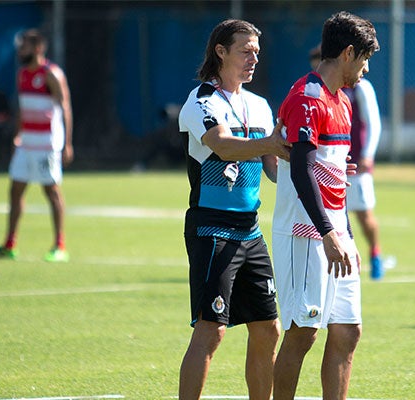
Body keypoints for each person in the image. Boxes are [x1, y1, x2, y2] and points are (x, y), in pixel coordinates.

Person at [176, 19, 291, 400]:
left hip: (250, 230)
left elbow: (274, 169)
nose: (253, 58)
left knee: (267, 328)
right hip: (212, 228)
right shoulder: (201, 101)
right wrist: (270, 145)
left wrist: (323, 166)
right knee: (212, 329)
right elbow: (222, 146)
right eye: (245, 50)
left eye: (257, 51)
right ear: (220, 51)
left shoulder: (258, 106)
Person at [272, 11, 379, 399]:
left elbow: (324, 170)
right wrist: (329, 233)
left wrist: (345, 234)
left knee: (348, 329)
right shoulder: (307, 97)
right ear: (348, 53)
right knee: (303, 332)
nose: (366, 69)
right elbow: (300, 172)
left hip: (334, 230)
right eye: (365, 59)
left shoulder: (342, 102)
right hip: (307, 233)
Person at [0, 29, 73, 262]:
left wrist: (67, 144)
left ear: (38, 48)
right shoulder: (22, 74)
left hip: (47, 144)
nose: (20, 51)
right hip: (27, 143)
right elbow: (22, 108)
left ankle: (59, 245)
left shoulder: (51, 74)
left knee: (51, 191)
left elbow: (66, 108)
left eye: (25, 47)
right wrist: (17, 136)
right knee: (15, 190)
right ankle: (10, 243)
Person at [311, 45, 388, 280]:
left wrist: (367, 154)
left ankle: (375, 254)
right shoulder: (319, 90)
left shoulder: (361, 87)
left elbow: (373, 122)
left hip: (355, 164)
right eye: (313, 59)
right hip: (329, 166)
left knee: (364, 216)